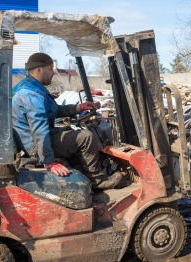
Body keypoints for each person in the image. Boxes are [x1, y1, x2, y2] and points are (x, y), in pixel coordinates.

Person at [12, 52, 123, 189]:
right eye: (50, 68)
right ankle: (97, 181)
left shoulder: (31, 88)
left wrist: (78, 107)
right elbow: (39, 130)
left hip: (31, 140)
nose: (53, 72)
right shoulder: (31, 94)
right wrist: (49, 161)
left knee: (71, 132)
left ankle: (82, 174)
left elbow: (54, 110)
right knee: (85, 137)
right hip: (34, 145)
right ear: (39, 70)